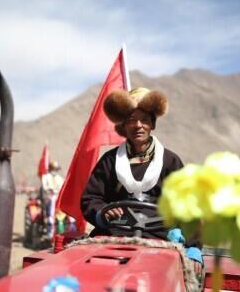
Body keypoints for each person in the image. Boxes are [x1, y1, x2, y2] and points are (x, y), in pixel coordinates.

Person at [81, 87, 203, 276]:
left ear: (152, 124)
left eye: (144, 120)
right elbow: (91, 198)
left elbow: (189, 206)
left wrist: (194, 246)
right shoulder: (109, 161)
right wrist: (102, 213)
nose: (138, 125)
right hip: (115, 235)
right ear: (124, 126)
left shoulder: (171, 162)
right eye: (131, 120)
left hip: (161, 238)